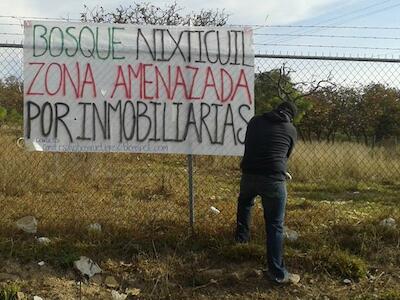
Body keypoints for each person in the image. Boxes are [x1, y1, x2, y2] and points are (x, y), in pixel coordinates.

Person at [235, 101, 299, 284]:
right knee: (275, 225)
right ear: (290, 116)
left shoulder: (254, 121)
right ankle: (277, 273)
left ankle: (241, 241)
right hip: (272, 178)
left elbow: (249, 144)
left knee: (245, 203)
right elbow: (285, 156)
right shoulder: (290, 129)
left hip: (249, 174)